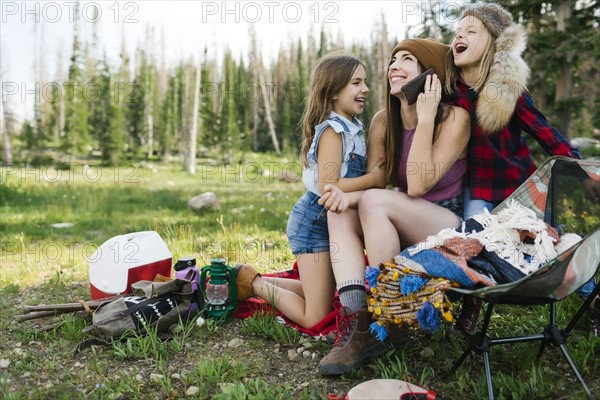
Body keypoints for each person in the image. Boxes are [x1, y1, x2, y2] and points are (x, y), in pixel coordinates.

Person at [316, 38, 471, 375]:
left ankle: (392, 314)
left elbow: (417, 185)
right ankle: (361, 321)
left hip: (444, 225)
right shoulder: (384, 121)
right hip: (399, 215)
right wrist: (345, 197)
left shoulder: (453, 118)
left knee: (370, 200)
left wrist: (426, 117)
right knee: (339, 209)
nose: (394, 66)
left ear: (431, 74)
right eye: (393, 59)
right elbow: (378, 184)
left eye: (407, 60)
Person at [444, 2, 598, 336]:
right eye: (458, 30)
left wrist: (584, 173)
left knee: (552, 244)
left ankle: (593, 299)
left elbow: (547, 134)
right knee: (471, 237)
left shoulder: (508, 90)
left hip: (520, 189)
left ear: (496, 45)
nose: (460, 33)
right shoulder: (451, 90)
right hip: (479, 188)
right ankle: (472, 304)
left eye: (472, 30)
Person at [234, 53, 385, 329]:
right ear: (334, 92)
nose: (365, 89)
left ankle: (252, 277)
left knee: (323, 297)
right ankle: (254, 285)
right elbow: (330, 185)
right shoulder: (333, 131)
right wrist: (374, 178)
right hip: (313, 225)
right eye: (356, 83)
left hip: (329, 224)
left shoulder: (354, 127)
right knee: (314, 316)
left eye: (365, 82)